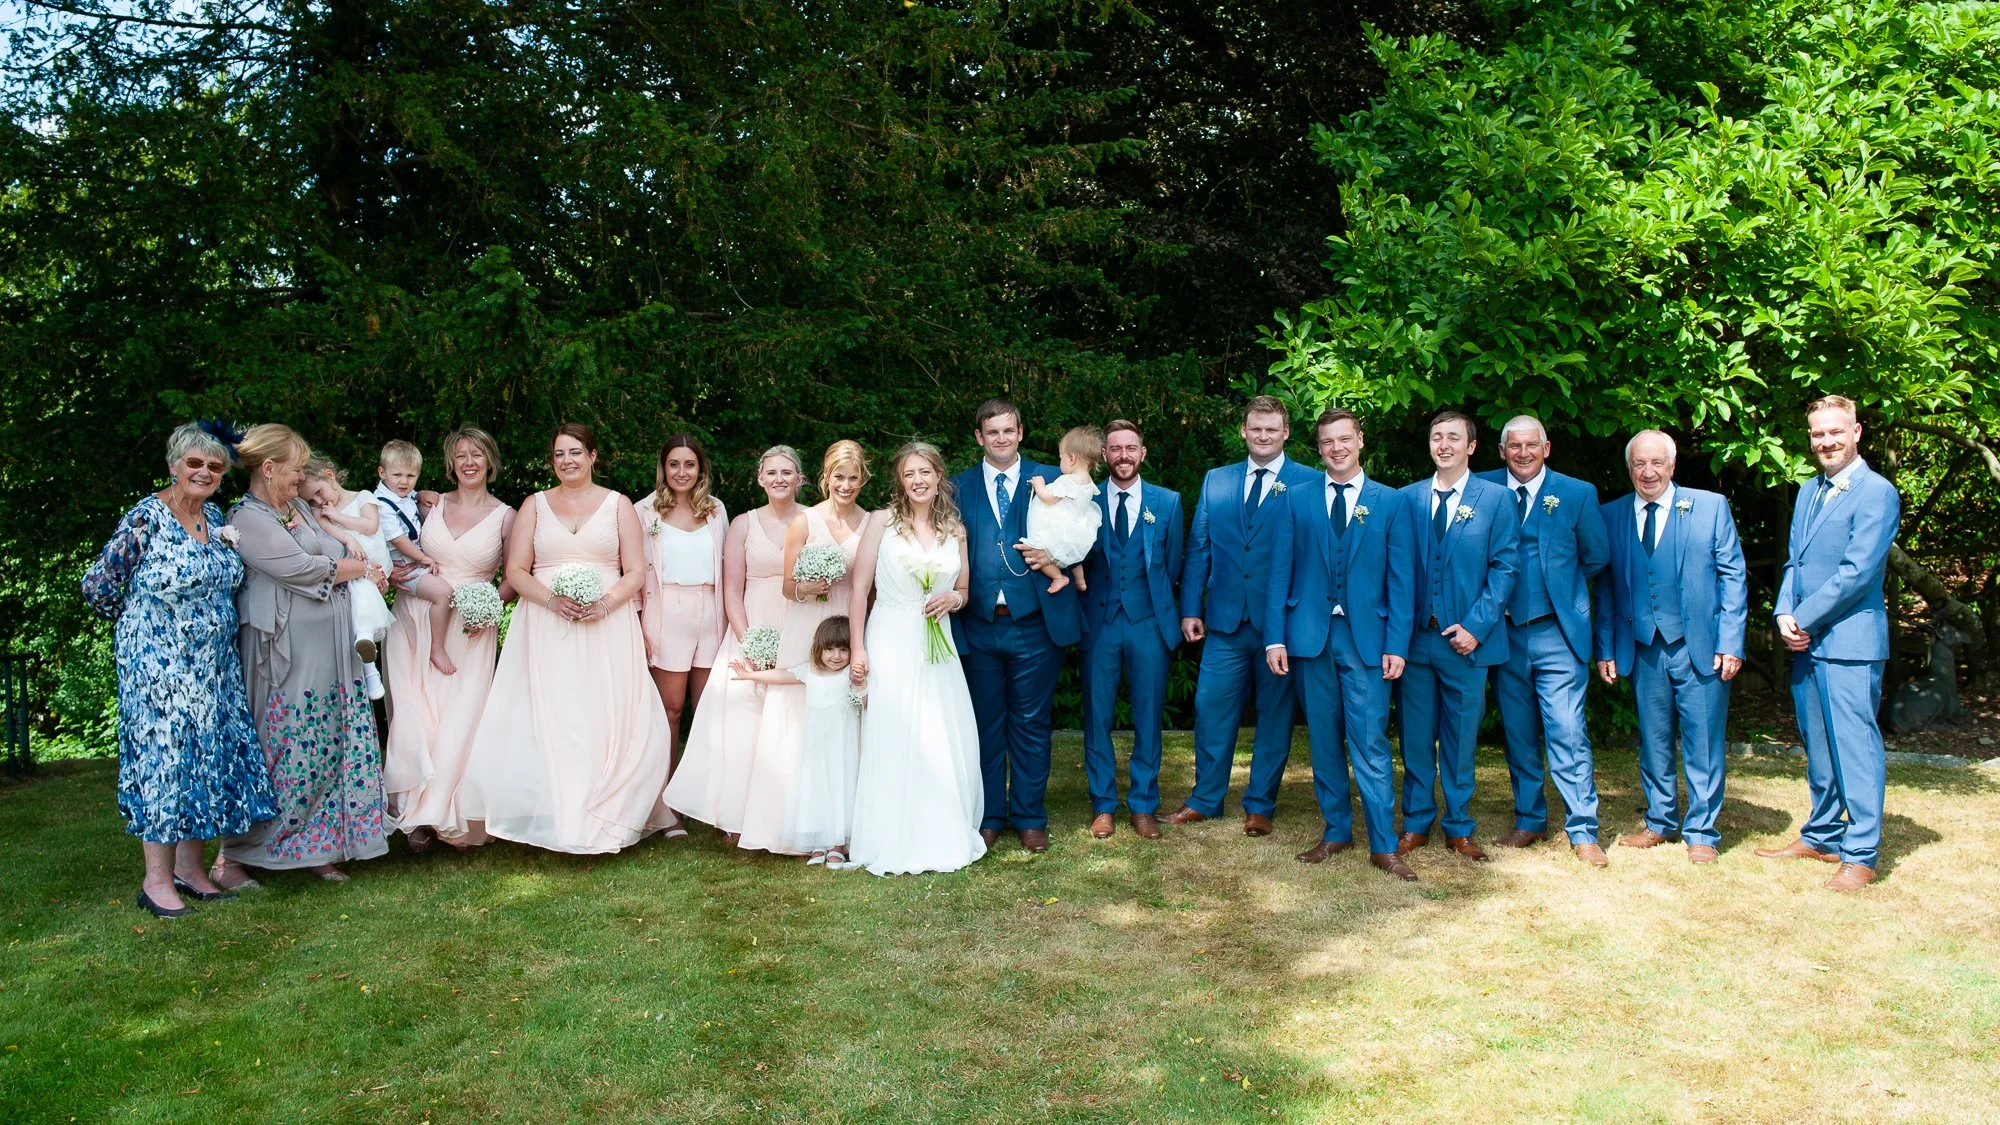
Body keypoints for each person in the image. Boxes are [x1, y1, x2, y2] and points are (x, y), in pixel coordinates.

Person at [82, 422, 278, 918]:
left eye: (214, 466)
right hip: (158, 667)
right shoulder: (146, 518)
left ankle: (190, 871)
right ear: (174, 465)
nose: (204, 472)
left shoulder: (214, 517)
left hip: (214, 666)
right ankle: (155, 882)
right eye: (195, 463)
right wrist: (146, 629)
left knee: (206, 760)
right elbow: (99, 586)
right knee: (165, 762)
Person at [458, 424, 679, 853]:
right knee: (556, 717)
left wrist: (606, 603)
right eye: (559, 454)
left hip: (607, 625)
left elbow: (635, 571)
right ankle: (560, 812)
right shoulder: (534, 505)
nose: (567, 461)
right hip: (546, 625)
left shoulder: (618, 506)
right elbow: (516, 571)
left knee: (604, 713)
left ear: (593, 456)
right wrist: (551, 600)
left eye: (575, 452)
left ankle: (608, 809)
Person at [213, 423, 391, 887]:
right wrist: (361, 568)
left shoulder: (296, 508)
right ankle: (238, 853)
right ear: (268, 469)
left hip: (331, 649)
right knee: (287, 744)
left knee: (326, 745)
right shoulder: (248, 518)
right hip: (286, 653)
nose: (301, 477)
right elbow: (301, 568)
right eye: (294, 469)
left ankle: (315, 843)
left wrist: (353, 563)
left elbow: (331, 547)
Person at [1264, 409, 1418, 879]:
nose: (1337, 448)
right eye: (1328, 441)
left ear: (1360, 440)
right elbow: (1279, 572)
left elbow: (1402, 580)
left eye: (1344, 439)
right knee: (1325, 741)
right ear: (1319, 447)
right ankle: (1336, 831)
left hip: (1367, 641)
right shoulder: (1295, 498)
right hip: (1310, 639)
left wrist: (1398, 644)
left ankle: (1383, 844)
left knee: (1369, 740)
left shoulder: (1390, 502)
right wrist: (1275, 636)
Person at [1758, 396, 1901, 890]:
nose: (1826, 442)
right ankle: (1821, 834)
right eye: (1818, 434)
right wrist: (1781, 613)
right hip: (1806, 642)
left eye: (1835, 432)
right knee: (1818, 746)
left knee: (1855, 747)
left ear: (1857, 432)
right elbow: (1793, 563)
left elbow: (1858, 573)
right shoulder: (1808, 491)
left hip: (1850, 643)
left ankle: (1860, 854)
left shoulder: (1877, 493)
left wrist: (1803, 617)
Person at [1167, 395, 1319, 836]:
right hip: (1226, 622)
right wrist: (1191, 607)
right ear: (1244, 431)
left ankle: (1260, 804)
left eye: (1272, 429)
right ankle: (1205, 799)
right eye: (1257, 428)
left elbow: (1313, 557)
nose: (1264, 436)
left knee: (1275, 714)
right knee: (1211, 707)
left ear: (1286, 433)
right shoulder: (1217, 480)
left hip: (1281, 625)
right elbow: (1199, 547)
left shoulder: (1309, 482)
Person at [1595, 430, 1748, 865]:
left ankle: (1702, 832)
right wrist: (1605, 646)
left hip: (1700, 647)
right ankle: (1660, 820)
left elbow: (1732, 578)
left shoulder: (1710, 507)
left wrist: (1731, 641)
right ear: (1629, 469)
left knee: (1702, 742)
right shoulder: (1612, 515)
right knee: (1654, 740)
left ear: (1672, 465)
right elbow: (1606, 589)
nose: (1648, 472)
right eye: (1639, 464)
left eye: (1657, 463)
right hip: (1642, 648)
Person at [1476, 416, 1613, 866]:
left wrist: (1561, 594)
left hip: (1556, 632)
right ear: (1501, 451)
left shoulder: (1577, 494)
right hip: (1504, 634)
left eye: (1531, 445)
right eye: (1513, 446)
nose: (1522, 452)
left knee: (1567, 731)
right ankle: (1529, 819)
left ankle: (1583, 828)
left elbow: (1595, 557)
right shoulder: (1482, 490)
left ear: (1547, 447)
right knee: (1518, 733)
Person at [950, 399, 1085, 853]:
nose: (1002, 438)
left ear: (1021, 432)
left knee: (1031, 723)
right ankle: (989, 815)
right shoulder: (956, 487)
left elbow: (1089, 530)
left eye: (1009, 430)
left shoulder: (1056, 479)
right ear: (979, 437)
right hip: (980, 623)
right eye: (993, 432)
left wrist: (1060, 558)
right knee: (986, 724)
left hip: (1036, 624)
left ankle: (1030, 816)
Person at [847, 441, 986, 875]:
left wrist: (952, 600)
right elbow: (858, 590)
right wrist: (857, 647)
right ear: (900, 481)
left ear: (939, 475)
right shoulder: (880, 522)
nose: (918, 480)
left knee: (938, 732)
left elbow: (964, 591)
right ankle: (891, 833)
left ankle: (939, 829)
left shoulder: (954, 528)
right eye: (910, 474)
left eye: (925, 472)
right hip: (890, 635)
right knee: (894, 731)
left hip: (937, 645)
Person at [380, 426, 516, 852]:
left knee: (459, 718)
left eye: (477, 455)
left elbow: (513, 576)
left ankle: (449, 811)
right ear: (451, 463)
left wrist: (489, 606)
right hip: (415, 617)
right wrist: (392, 570)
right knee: (413, 712)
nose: (469, 462)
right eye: (461, 456)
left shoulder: (507, 515)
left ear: (489, 461)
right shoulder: (426, 503)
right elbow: (387, 536)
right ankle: (413, 814)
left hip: (471, 626)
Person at [735, 441, 870, 855]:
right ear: (825, 478)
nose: (845, 485)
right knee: (794, 718)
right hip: (806, 624)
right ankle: (793, 826)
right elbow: (787, 587)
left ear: (863, 479)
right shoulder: (804, 521)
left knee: (848, 718)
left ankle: (847, 825)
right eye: (838, 477)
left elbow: (870, 586)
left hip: (848, 625)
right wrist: (805, 587)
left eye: (853, 477)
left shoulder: (873, 522)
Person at [1396, 410, 1519, 864]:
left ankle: (1460, 826)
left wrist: (1477, 627)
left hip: (1467, 643)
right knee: (1414, 737)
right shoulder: (1406, 499)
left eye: (1453, 438)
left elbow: (1505, 566)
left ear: (1471, 447)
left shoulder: (1496, 499)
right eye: (1436, 437)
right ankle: (1414, 822)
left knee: (1461, 738)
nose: (1443, 444)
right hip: (1416, 641)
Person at [665, 446, 806, 841]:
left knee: (791, 720)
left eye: (787, 472)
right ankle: (737, 815)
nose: (779, 479)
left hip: (798, 625)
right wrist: (750, 643)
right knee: (745, 721)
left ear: (800, 479)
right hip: (751, 626)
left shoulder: (813, 520)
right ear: (760, 479)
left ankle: (788, 813)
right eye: (771, 472)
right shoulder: (742, 524)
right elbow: (731, 591)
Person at [1076, 420, 1183, 839]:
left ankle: (1143, 805)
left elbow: (1171, 564)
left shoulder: (1168, 502)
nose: (1123, 455)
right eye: (1115, 448)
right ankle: (1103, 805)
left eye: (1130, 448)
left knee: (1148, 717)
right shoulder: (1084, 500)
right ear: (1104, 455)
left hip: (1149, 625)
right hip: (1098, 625)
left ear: (1143, 453)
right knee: (1097, 718)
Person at [728, 617, 863, 866]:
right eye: (830, 649)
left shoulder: (848, 676)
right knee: (815, 791)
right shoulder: (810, 671)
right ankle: (818, 844)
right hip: (814, 747)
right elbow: (782, 675)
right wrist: (750, 675)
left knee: (839, 789)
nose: (836, 656)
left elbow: (864, 702)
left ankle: (837, 844)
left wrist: (861, 683)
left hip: (841, 747)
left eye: (843, 649)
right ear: (819, 648)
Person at [635, 434, 728, 764]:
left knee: (707, 707)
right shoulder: (644, 511)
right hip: (666, 612)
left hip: (711, 612)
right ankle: (665, 795)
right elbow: (633, 573)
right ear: (663, 468)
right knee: (670, 711)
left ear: (700, 469)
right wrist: (638, 624)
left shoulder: (716, 510)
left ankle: (700, 794)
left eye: (689, 464)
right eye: (673, 464)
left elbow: (727, 568)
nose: (681, 472)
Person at [301, 457, 396, 699]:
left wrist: (338, 517)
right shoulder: (320, 510)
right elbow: (326, 529)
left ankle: (366, 647)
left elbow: (370, 526)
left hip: (373, 558)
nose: (319, 501)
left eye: (319, 493)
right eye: (311, 500)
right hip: (354, 565)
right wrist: (346, 538)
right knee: (359, 591)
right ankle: (368, 661)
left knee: (363, 589)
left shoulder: (362, 496)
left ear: (330, 475)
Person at [372, 440, 455, 631]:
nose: (404, 481)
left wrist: (419, 495)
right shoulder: (382, 504)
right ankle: (437, 646)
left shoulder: (403, 493)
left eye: (411, 476)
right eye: (397, 475)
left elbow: (410, 496)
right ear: (382, 473)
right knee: (444, 593)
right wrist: (423, 558)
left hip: (414, 559)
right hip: (405, 564)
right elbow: (398, 540)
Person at [1020, 425, 1105, 594]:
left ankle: (1059, 577)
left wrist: (1039, 484)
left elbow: (1048, 497)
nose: (1060, 463)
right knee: (1073, 556)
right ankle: (1080, 580)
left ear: (1071, 459)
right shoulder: (1088, 482)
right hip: (1079, 527)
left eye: (1061, 458)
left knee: (1036, 549)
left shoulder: (1067, 480)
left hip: (1060, 527)